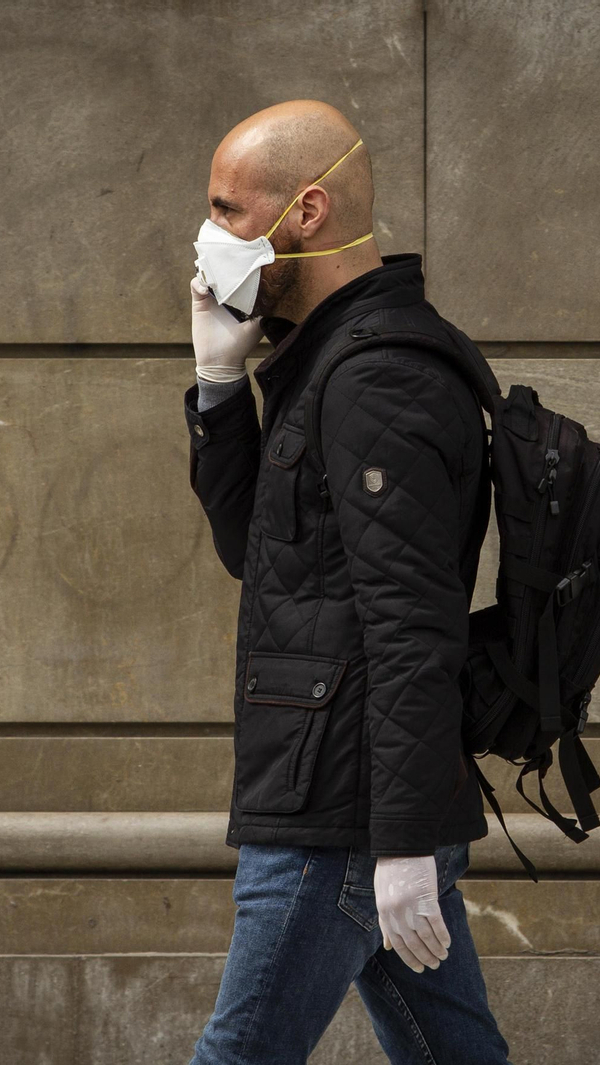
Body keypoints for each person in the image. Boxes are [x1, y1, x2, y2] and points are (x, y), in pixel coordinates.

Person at [182, 99, 512, 1064]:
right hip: (351, 801)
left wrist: (401, 842)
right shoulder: (327, 358)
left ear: (308, 211)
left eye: (229, 210)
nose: (208, 236)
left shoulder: (380, 377)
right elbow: (257, 550)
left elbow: (411, 623)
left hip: (340, 821)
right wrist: (218, 387)